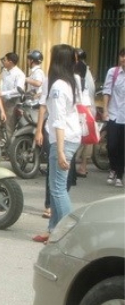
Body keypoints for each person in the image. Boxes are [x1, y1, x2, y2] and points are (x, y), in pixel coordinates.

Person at [32, 44, 82, 243]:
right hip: (69, 136)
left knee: (58, 188)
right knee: (55, 187)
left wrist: (60, 151)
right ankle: (53, 229)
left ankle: (70, 233)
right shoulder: (71, 80)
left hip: (64, 138)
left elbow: (59, 119)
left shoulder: (59, 86)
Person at [102, 47, 125, 188]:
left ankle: (119, 175)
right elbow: (106, 91)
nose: (123, 59)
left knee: (123, 147)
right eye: (122, 55)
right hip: (114, 114)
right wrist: (105, 110)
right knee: (111, 145)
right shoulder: (113, 72)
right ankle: (113, 168)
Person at [0, 52, 25, 148]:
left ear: (10, 62)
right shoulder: (5, 71)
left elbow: (18, 90)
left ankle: (10, 150)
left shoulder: (19, 74)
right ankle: (2, 144)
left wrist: (3, 93)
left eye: (5, 60)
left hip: (12, 102)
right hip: (2, 101)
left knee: (9, 128)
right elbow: (3, 84)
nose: (3, 62)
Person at [74, 49, 96, 178]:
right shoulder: (86, 71)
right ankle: (82, 165)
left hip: (85, 108)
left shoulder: (82, 72)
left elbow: (85, 92)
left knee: (85, 138)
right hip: (85, 108)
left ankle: (83, 166)